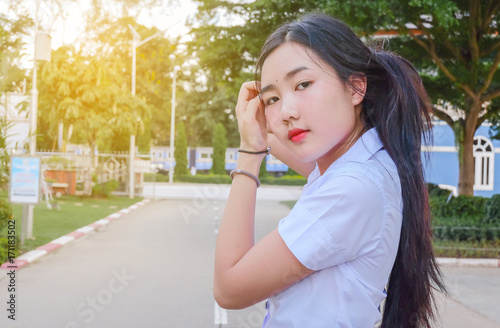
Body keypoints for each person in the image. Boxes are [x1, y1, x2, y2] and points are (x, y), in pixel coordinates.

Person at [213, 13, 446, 328]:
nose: (286, 112)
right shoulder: (369, 162)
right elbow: (297, 151)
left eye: (304, 84)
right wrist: (259, 135)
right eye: (272, 99)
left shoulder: (352, 188)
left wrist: (250, 154)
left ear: (355, 87)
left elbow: (229, 289)